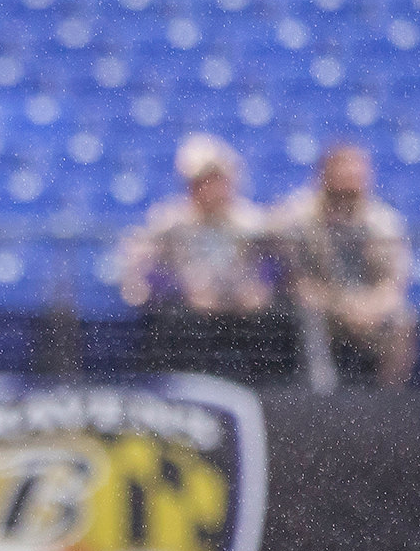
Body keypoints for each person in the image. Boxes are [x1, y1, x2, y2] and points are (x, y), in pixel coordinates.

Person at [119, 135, 293, 377]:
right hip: (191, 311)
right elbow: (146, 274)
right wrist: (182, 289)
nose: (214, 190)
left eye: (219, 181)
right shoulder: (169, 223)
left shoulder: (250, 222)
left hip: (240, 307)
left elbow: (275, 265)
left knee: (275, 319)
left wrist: (259, 287)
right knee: (176, 322)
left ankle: (268, 387)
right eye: (205, 182)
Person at [272, 143, 417, 388]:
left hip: (368, 307)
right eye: (341, 176)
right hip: (322, 301)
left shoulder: (383, 222)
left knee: (403, 318)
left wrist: (369, 308)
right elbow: (285, 263)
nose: (348, 186)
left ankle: (391, 399)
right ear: (324, 176)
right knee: (307, 311)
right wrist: (340, 306)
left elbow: (393, 283)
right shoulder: (300, 215)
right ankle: (321, 393)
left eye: (355, 177)